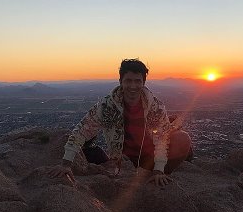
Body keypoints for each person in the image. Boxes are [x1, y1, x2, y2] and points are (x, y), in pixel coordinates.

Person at [49, 59, 192, 187]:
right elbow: (82, 129)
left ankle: (161, 176)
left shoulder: (154, 106)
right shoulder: (107, 106)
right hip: (123, 162)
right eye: (128, 81)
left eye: (137, 81)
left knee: (182, 138)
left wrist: (159, 169)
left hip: (150, 159)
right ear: (120, 81)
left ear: (143, 82)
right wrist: (66, 164)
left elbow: (161, 138)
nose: (133, 86)